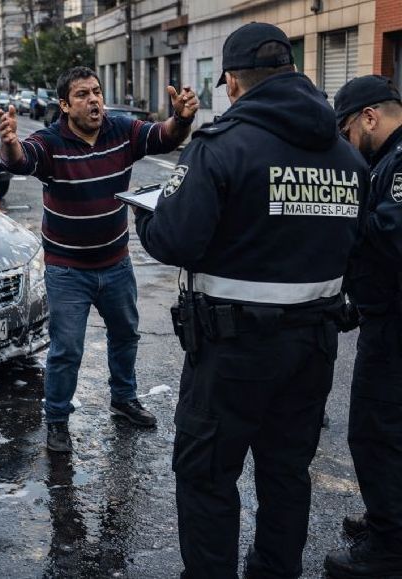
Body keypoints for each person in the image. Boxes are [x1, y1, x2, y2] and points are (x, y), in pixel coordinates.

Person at [135, 23, 367, 578]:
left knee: (207, 476)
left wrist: (148, 213)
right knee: (286, 474)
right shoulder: (347, 159)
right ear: (292, 72)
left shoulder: (220, 148)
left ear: (234, 84)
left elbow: (175, 239)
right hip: (313, 349)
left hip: (231, 354)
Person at [0, 66, 198, 452]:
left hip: (116, 263)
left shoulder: (121, 130)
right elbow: (21, 160)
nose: (94, 101)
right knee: (67, 348)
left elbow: (164, 136)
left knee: (125, 335)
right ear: (64, 105)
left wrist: (182, 118)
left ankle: (123, 400)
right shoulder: (51, 141)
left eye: (97, 92)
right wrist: (8, 142)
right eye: (83, 95)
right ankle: (56, 419)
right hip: (67, 270)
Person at [324, 76, 402, 579]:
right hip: (386, 311)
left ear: (370, 118)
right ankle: (388, 520)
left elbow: (394, 235)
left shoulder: (397, 164)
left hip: (396, 326)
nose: (349, 144)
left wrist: (348, 212)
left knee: (377, 432)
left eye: (348, 132)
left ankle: (390, 546)